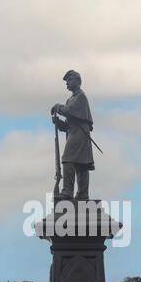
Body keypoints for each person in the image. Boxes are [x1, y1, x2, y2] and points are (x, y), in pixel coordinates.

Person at [51, 70, 94, 201]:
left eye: (69, 80)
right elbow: (69, 124)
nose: (67, 84)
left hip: (81, 134)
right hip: (75, 133)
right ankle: (82, 194)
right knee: (80, 164)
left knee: (68, 159)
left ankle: (68, 191)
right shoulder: (71, 99)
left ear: (77, 81)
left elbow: (69, 111)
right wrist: (58, 123)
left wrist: (58, 107)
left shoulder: (80, 96)